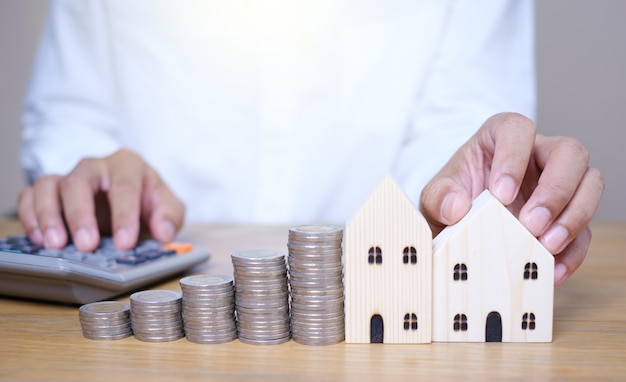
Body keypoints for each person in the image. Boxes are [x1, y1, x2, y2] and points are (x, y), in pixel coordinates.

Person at [17, 0, 603, 285]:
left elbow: (453, 142)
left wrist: (479, 202)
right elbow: (71, 113)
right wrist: (86, 176)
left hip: (376, 308)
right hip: (146, 287)